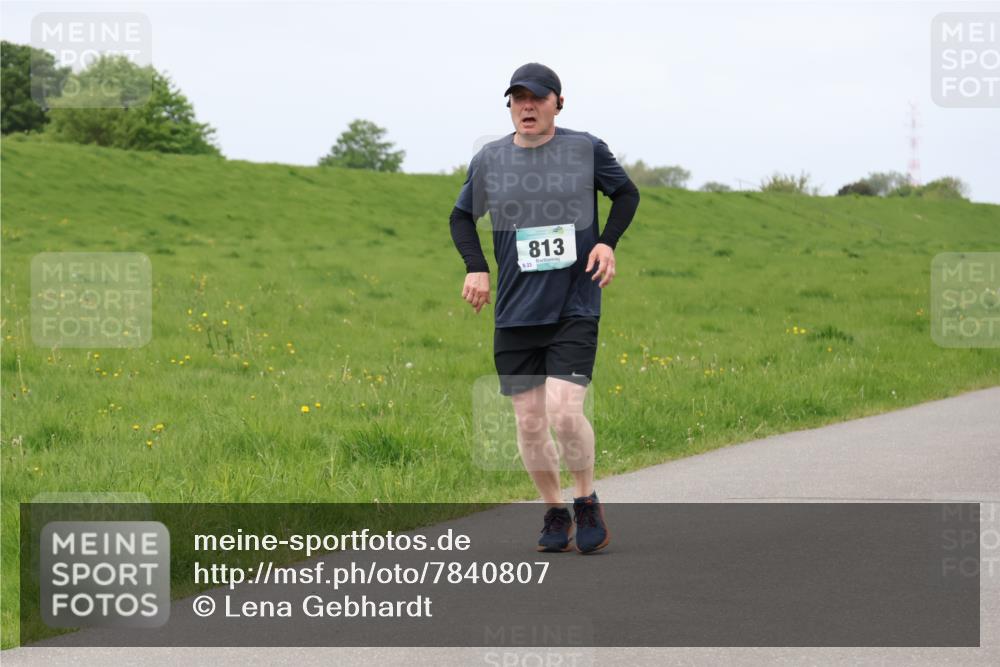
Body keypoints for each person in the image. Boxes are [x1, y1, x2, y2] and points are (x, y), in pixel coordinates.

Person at [449, 63, 640, 554]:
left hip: (574, 304)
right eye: (517, 99)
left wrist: (606, 243)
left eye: (536, 98)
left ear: (558, 102)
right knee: (530, 422)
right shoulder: (490, 159)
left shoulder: (584, 148)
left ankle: (585, 498)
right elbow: (461, 217)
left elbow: (626, 193)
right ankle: (555, 510)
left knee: (563, 409)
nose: (526, 106)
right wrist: (476, 267)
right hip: (514, 311)